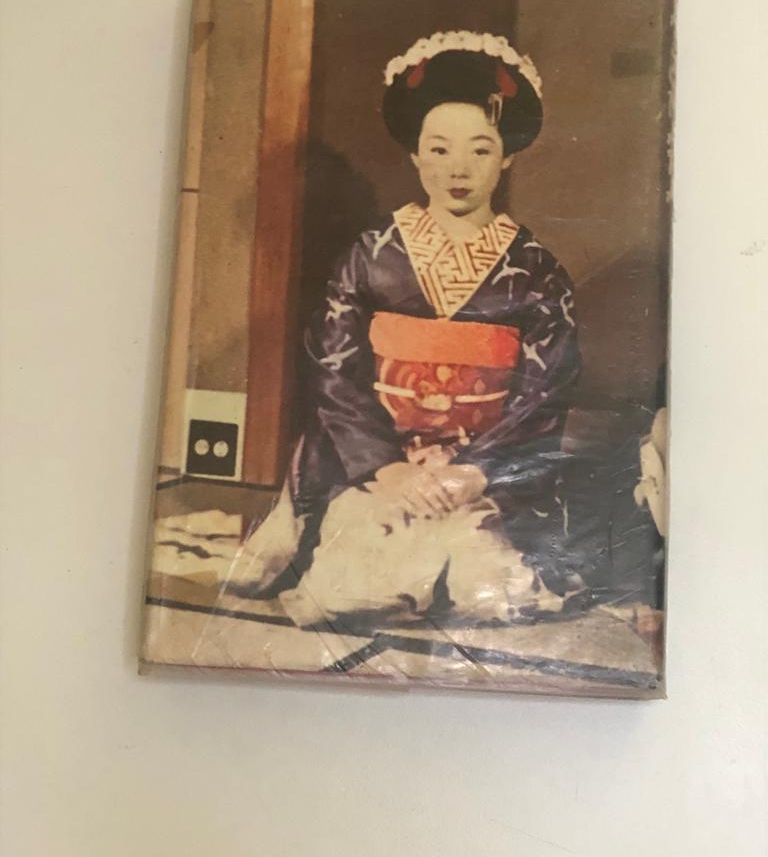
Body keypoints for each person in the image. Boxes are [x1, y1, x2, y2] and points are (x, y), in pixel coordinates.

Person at [166, 31, 665, 632]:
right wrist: (391, 468)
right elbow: (335, 373)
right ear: (415, 155)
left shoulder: (536, 270)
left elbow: (546, 390)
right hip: (381, 464)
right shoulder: (371, 254)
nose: (458, 168)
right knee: (343, 596)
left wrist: (469, 471)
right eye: (439, 149)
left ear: (507, 157)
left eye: (480, 150)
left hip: (485, 472)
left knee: (492, 593)